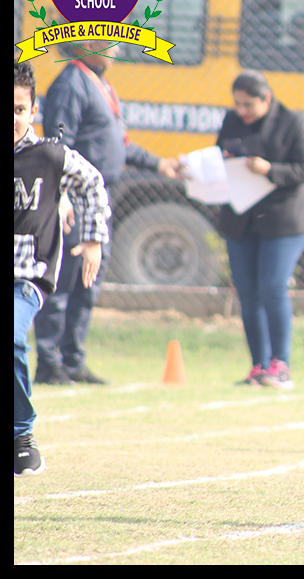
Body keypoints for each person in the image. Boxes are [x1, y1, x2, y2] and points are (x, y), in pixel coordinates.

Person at [34, 41, 182, 385]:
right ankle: (49, 360)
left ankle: (73, 358)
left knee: (89, 280)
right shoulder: (71, 84)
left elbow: (118, 141)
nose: (117, 49)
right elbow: (59, 145)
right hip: (77, 195)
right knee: (65, 278)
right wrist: (61, 193)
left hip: (101, 197)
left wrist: (159, 163)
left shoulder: (100, 82)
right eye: (111, 42)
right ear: (88, 43)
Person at [15, 60, 110, 476]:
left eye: (19, 109)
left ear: (33, 111)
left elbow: (91, 183)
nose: (13, 118)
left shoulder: (50, 156)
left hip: (25, 279)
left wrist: (91, 240)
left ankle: (21, 435)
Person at [217, 70, 304, 390]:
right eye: (237, 104)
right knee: (247, 291)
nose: (242, 111)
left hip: (284, 220)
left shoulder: (291, 122)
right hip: (242, 218)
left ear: (266, 99)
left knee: (272, 287)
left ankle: (281, 365)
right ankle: (259, 366)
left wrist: (269, 169)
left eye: (248, 104)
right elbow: (220, 153)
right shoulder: (232, 120)